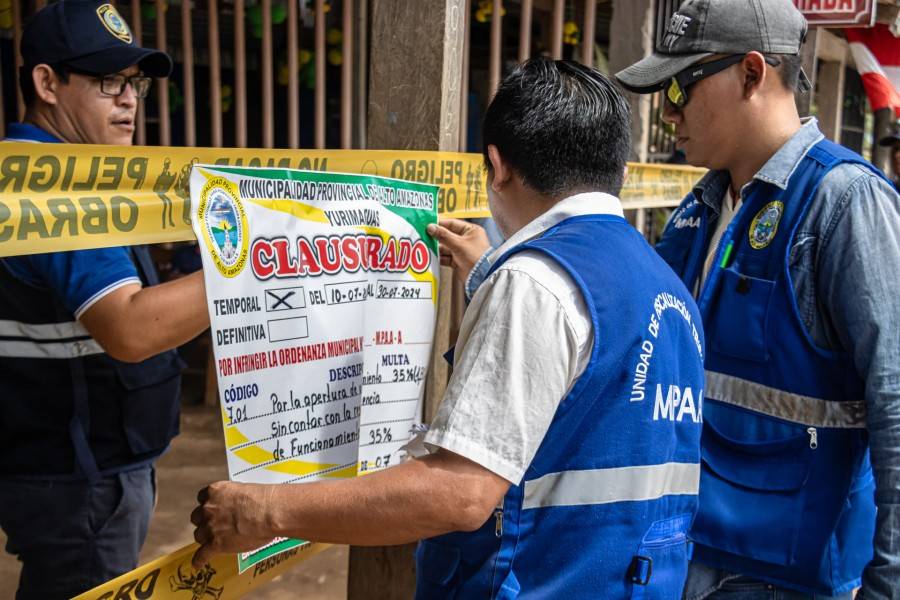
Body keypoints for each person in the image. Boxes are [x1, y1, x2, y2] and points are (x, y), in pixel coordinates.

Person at [190, 58, 706, 597]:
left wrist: (267, 510)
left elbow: (459, 493)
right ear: (619, 171)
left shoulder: (532, 283)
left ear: (498, 166)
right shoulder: (665, 287)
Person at [617, 0, 900, 597]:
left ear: (752, 73)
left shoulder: (844, 204)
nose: (670, 112)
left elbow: (895, 400)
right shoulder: (700, 209)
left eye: (681, 87)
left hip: (789, 577)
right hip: (683, 554)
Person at [0, 2, 210, 598]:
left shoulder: (38, 173)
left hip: (64, 465)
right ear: (46, 83)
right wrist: (257, 258)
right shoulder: (53, 188)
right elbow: (131, 329)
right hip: (80, 480)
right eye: (106, 82)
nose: (129, 100)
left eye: (133, 84)